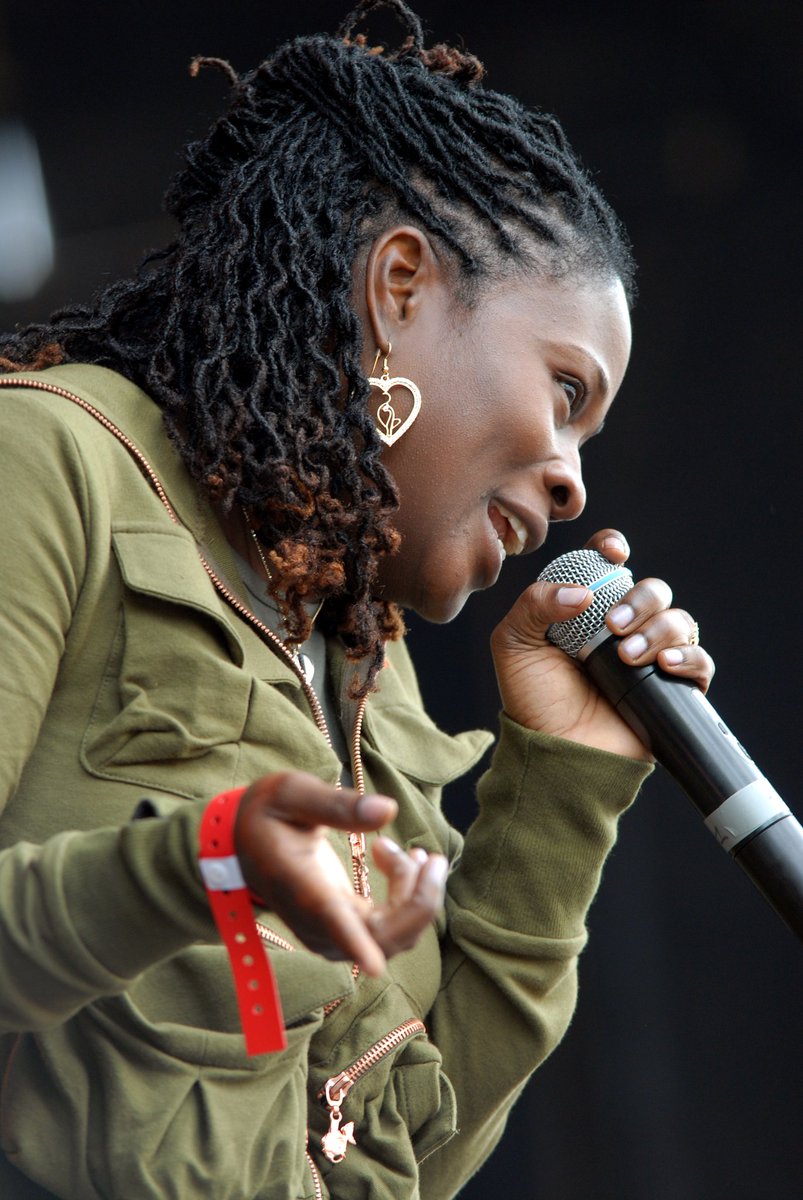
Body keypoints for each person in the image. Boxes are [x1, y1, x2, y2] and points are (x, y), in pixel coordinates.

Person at [0, 2, 715, 1197]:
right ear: (398, 287)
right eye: (562, 389)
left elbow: (405, 1160)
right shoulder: (50, 464)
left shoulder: (357, 663)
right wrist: (199, 870)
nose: (570, 475)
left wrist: (559, 792)